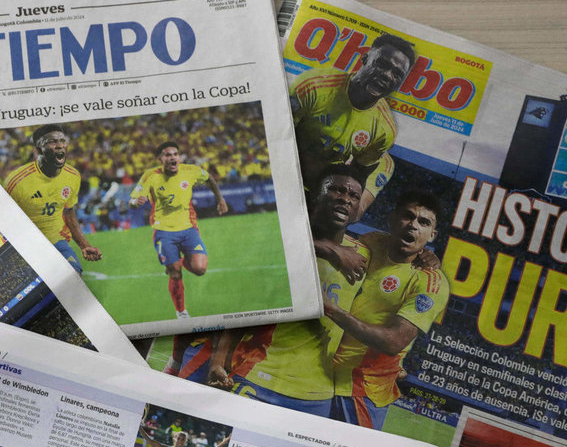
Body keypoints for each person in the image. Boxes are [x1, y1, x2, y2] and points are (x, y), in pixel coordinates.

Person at [204, 165, 369, 417]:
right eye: (336, 190)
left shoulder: (365, 254)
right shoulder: (281, 246)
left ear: (358, 206)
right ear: (317, 195)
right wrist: (217, 361)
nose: (345, 199)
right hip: (260, 376)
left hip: (318, 395)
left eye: (353, 196)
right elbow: (247, 306)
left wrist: (427, 257)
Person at [327, 190, 451, 429]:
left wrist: (330, 309)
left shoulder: (429, 281)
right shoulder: (372, 241)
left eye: (424, 222)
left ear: (432, 235)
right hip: (321, 370)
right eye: (408, 216)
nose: (413, 226)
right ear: (392, 219)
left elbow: (394, 342)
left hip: (361, 389)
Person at [291, 34, 417, 217]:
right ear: (365, 59)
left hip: (324, 187)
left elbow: (356, 179)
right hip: (290, 167)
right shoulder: (314, 86)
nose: (387, 76)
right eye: (382, 64)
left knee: (353, 213)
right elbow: (276, 135)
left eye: (397, 74)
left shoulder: (384, 129)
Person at [130, 141, 228, 318]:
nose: (172, 157)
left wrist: (220, 199)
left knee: (200, 268)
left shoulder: (191, 171)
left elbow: (210, 179)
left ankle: (172, 261)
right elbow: (133, 200)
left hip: (188, 228)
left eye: (175, 154)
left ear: (180, 157)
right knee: (175, 274)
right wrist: (134, 202)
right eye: (168, 155)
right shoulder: (150, 175)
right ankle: (181, 312)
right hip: (163, 231)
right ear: (160, 159)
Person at [4, 124, 101, 272]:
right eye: (51, 142)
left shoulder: (73, 176)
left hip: (57, 241)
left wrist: (84, 245)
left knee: (74, 277)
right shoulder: (17, 181)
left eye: (62, 141)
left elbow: (68, 213)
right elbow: (4, 222)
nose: (59, 146)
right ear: (37, 150)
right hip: (28, 247)